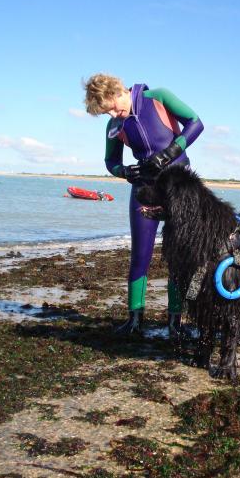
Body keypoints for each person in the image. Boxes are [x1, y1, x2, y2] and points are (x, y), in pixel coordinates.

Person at [84, 74, 204, 337]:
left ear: (119, 90)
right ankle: (135, 320)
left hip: (178, 188)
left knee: (177, 257)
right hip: (144, 188)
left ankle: (175, 322)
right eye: (107, 112)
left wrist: (170, 153)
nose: (114, 113)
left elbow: (196, 123)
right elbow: (110, 161)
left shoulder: (158, 97)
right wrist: (126, 171)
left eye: (113, 106)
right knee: (140, 256)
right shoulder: (114, 125)